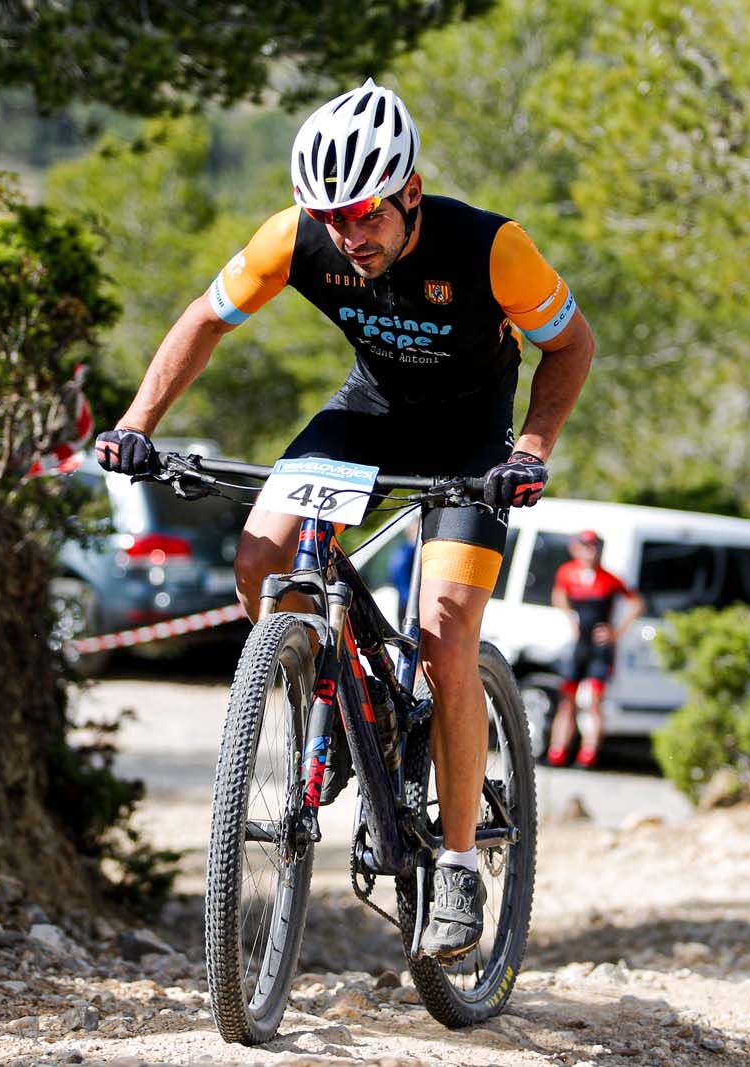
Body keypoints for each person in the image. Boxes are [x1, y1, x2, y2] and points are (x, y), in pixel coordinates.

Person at [94, 79, 596, 960]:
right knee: (261, 555)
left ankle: (455, 863)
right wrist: (139, 422)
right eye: (328, 216)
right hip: (367, 412)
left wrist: (533, 451)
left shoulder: (492, 248)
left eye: (364, 213)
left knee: (444, 635)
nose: (347, 236)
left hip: (472, 440)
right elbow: (205, 321)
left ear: (410, 191)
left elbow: (572, 343)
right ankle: (310, 686)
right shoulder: (296, 240)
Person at [547, 530, 642, 768]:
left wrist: (616, 632)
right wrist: (570, 618)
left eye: (594, 547)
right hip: (580, 645)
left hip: (599, 648)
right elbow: (558, 595)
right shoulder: (568, 573)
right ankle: (557, 750)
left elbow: (636, 603)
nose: (590, 551)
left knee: (594, 701)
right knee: (567, 699)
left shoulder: (610, 579)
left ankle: (588, 754)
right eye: (586, 546)